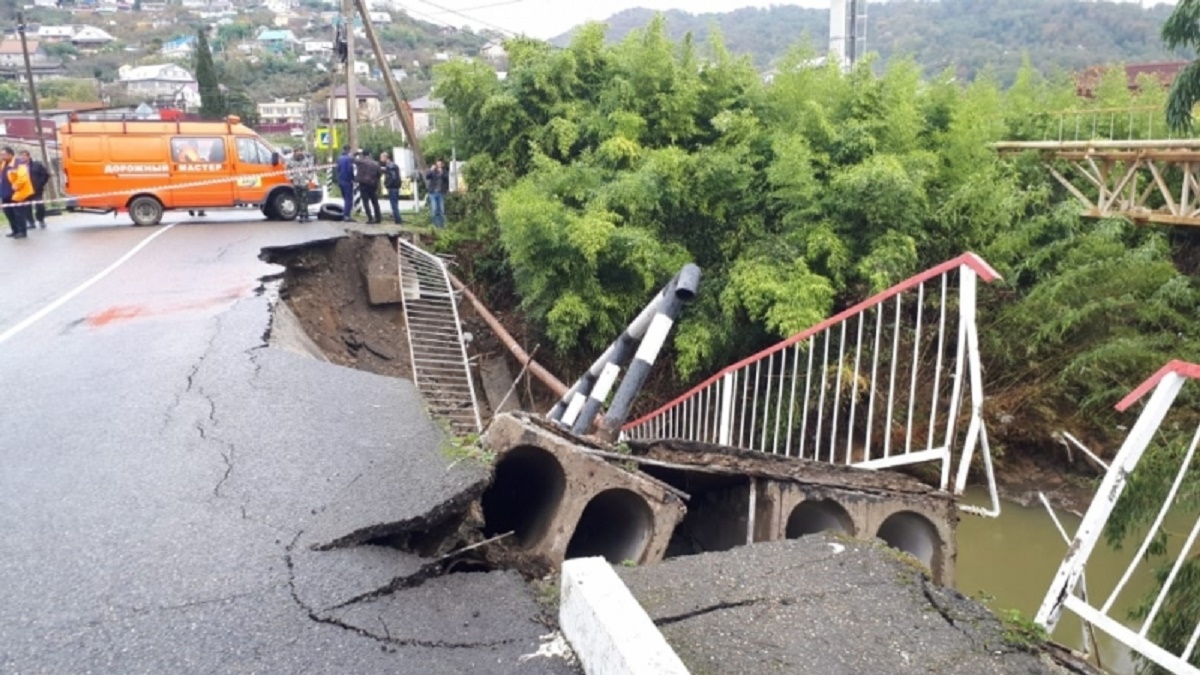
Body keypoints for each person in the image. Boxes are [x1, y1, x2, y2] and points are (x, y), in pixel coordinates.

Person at [2, 147, 33, 239]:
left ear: (10, 154)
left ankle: (22, 231)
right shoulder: (4, 163)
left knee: (19, 213)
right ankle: (15, 230)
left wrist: (16, 185)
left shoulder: (19, 163)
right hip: (5, 193)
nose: (2, 156)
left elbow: (23, 177)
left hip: (17, 192)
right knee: (9, 213)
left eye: (3, 154)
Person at [19, 150, 49, 229]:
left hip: (36, 190)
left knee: (40, 206)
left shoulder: (37, 165)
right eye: (21, 156)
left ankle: (41, 219)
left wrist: (40, 183)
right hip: (25, 190)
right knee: (27, 207)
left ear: (29, 156)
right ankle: (31, 222)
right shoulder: (19, 166)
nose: (22, 157)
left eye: (24, 155)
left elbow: (45, 175)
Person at [285, 147, 315, 222]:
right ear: (294, 152)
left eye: (300, 151)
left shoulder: (306, 160)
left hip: (304, 182)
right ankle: (301, 215)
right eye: (297, 152)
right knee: (298, 199)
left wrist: (309, 178)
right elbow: (287, 170)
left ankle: (306, 215)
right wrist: (290, 178)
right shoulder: (290, 161)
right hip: (296, 182)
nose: (299, 153)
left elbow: (311, 170)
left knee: (305, 199)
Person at [354, 148, 382, 225]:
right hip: (373, 184)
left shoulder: (360, 162)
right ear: (370, 155)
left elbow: (352, 159)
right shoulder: (376, 163)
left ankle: (370, 218)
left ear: (362, 155)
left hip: (363, 184)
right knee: (375, 202)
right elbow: (379, 174)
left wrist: (356, 153)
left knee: (365, 202)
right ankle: (378, 217)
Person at [424, 159, 448, 228]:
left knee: (441, 210)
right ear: (436, 164)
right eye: (438, 164)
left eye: (440, 164)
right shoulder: (433, 171)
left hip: (441, 193)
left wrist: (442, 172)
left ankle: (442, 226)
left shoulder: (445, 171)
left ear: (442, 164)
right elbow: (427, 176)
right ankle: (435, 225)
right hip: (433, 192)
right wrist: (430, 170)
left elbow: (446, 178)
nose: (439, 166)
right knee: (434, 209)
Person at [380, 151, 403, 225]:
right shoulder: (393, 165)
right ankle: (397, 218)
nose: (380, 159)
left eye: (381, 157)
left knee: (394, 204)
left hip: (392, 187)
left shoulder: (390, 166)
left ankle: (398, 220)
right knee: (395, 203)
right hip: (396, 187)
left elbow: (393, 177)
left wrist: (387, 184)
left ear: (385, 157)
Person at [336, 145, 355, 222]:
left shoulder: (339, 158)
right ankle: (346, 216)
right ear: (349, 150)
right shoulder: (349, 159)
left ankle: (345, 214)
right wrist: (353, 178)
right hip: (347, 181)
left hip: (340, 181)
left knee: (345, 198)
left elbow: (338, 169)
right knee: (349, 199)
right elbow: (350, 170)